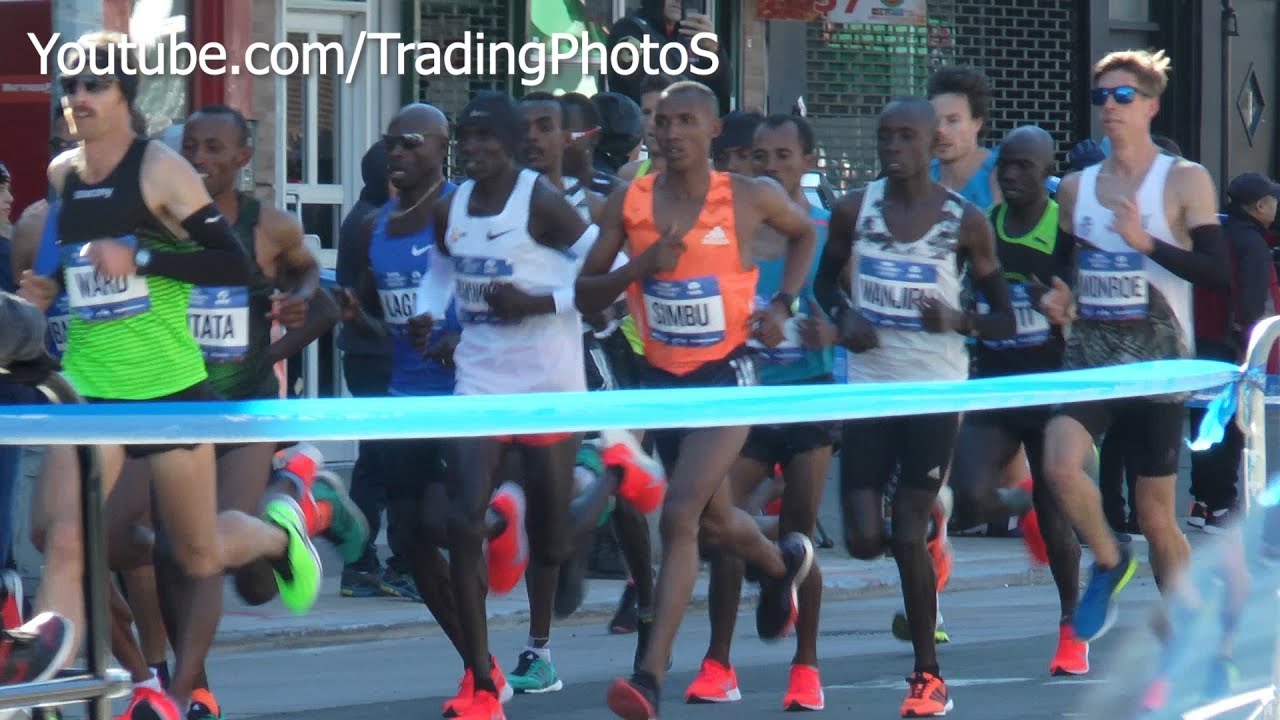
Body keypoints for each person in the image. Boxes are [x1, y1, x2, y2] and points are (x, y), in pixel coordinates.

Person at [16, 31, 322, 718]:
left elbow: (230, 267)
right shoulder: (66, 174)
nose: (79, 98)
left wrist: (145, 263)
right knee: (65, 537)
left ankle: (278, 534)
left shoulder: (158, 170)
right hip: (92, 390)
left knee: (199, 551)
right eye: (70, 86)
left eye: (94, 85)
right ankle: (39, 684)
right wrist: (44, 291)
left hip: (171, 391)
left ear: (126, 95)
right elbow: (78, 265)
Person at [573, 80, 818, 719]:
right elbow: (585, 294)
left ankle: (648, 678)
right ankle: (777, 561)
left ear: (713, 133)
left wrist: (783, 305)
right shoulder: (631, 202)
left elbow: (805, 236)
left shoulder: (746, 197)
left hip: (725, 377)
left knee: (680, 514)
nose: (671, 132)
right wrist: (640, 265)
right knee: (711, 522)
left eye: (686, 121)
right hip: (661, 382)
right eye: (663, 121)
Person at [813, 96, 1016, 718]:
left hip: (934, 391)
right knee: (863, 539)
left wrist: (957, 318)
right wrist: (845, 317)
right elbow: (823, 283)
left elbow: (1004, 319)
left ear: (933, 146)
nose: (892, 146)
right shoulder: (854, 209)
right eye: (885, 136)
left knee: (901, 528)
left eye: (906, 137)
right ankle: (932, 539)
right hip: (871, 388)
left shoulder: (965, 221)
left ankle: (927, 676)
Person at [1037, 49, 1230, 648]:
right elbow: (1060, 264)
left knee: (1156, 515)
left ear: (1150, 105)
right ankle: (1108, 558)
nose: (1111, 109)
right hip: (1092, 356)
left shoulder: (1182, 179)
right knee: (1060, 464)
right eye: (1102, 98)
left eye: (1124, 97)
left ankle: (1196, 641)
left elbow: (1219, 274)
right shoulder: (1076, 188)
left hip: (1157, 361)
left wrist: (1145, 241)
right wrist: (1059, 294)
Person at [683, 113, 835, 711]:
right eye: (760, 156)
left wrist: (833, 331)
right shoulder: (733, 229)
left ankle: (807, 668)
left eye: (783, 156)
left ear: (807, 162)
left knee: (801, 535)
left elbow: (852, 309)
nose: (770, 166)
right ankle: (719, 663)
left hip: (809, 400)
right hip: (746, 399)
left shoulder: (820, 227)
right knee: (719, 524)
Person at [945, 125, 1087, 676]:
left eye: (1025, 165)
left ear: (1047, 169)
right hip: (998, 384)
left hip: (1054, 388)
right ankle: (1022, 501)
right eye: (1005, 164)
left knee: (1058, 523)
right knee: (971, 498)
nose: (1011, 173)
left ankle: (1072, 629)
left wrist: (1061, 302)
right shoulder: (983, 226)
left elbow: (1084, 301)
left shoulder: (1065, 230)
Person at [335, 139, 420, 601]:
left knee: (375, 464)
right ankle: (387, 562)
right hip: (378, 355)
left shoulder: (370, 216)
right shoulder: (374, 224)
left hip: (370, 352)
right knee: (391, 466)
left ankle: (362, 560)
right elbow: (367, 301)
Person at [1187, 172, 1279, 531]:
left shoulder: (1217, 235)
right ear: (1258, 206)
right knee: (1233, 426)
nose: (1275, 206)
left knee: (1204, 424)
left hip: (1204, 341)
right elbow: (1253, 303)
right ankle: (1223, 508)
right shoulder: (1253, 245)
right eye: (1272, 200)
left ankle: (1201, 504)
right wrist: (1251, 346)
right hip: (1235, 347)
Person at [606, 0, 730, 108]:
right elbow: (651, 88)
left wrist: (715, 52)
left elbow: (720, 96)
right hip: (641, 130)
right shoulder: (629, 28)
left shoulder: (687, 36)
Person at [928, 65, 1000, 211]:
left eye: (952, 120)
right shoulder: (922, 177)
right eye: (934, 120)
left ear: (977, 123)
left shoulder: (1003, 172)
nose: (940, 130)